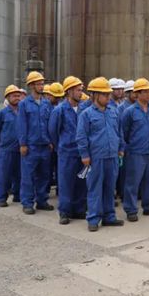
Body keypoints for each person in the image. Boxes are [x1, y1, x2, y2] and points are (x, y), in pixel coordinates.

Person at [76, 77, 125, 232]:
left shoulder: (114, 111)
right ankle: (93, 218)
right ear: (95, 95)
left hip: (112, 156)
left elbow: (119, 131)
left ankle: (109, 216)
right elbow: (81, 136)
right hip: (95, 158)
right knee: (95, 188)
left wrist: (121, 148)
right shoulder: (86, 114)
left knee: (110, 188)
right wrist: (85, 155)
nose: (108, 97)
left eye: (108, 94)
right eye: (104, 94)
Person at [121, 78, 149, 221]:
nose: (148, 94)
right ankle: (131, 209)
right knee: (133, 182)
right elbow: (124, 132)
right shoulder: (130, 112)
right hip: (136, 152)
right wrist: (128, 147)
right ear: (137, 94)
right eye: (145, 92)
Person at [48, 76, 87, 225]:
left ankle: (78, 209)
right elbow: (53, 132)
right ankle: (64, 212)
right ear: (69, 91)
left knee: (81, 181)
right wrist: (61, 147)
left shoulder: (84, 109)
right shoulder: (59, 110)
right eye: (78, 90)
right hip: (67, 153)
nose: (80, 93)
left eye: (81, 90)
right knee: (66, 183)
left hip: (82, 153)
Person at [17, 71, 54, 215]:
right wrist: (23, 144)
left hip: (44, 145)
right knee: (28, 176)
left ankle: (42, 201)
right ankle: (27, 203)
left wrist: (50, 141)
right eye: (39, 84)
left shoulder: (46, 103)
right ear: (31, 86)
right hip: (31, 146)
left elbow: (50, 123)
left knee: (44, 175)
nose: (41, 86)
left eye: (42, 84)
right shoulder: (24, 104)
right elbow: (22, 125)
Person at [0, 85, 22, 207]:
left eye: (18, 96)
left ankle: (17, 195)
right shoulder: (1, 114)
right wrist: (1, 144)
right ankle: (1, 198)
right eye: (14, 96)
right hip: (6, 150)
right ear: (8, 98)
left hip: (20, 149)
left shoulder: (22, 113)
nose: (17, 98)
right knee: (4, 175)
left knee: (19, 174)